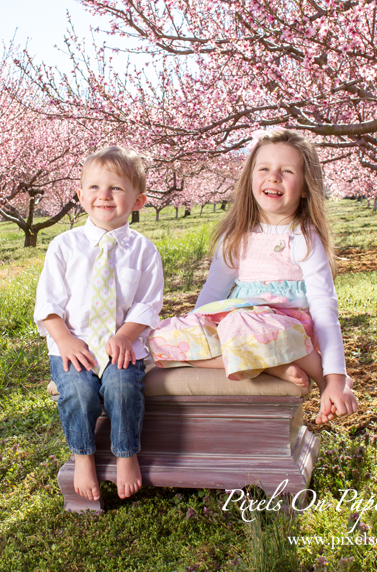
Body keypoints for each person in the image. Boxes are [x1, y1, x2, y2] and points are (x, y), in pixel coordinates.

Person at [148, 128, 357, 424]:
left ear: (307, 187)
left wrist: (335, 377)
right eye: (265, 169)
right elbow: (213, 293)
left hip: (284, 327)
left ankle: (288, 361)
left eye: (286, 171)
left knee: (245, 321)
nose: (274, 177)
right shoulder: (236, 236)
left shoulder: (304, 238)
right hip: (235, 324)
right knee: (157, 337)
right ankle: (269, 365)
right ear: (250, 180)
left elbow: (325, 307)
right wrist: (195, 327)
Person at [34, 146, 164, 502]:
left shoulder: (144, 251)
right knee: (78, 391)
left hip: (122, 345)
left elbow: (148, 304)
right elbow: (47, 304)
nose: (103, 196)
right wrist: (64, 341)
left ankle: (126, 454)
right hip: (73, 344)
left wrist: (125, 335)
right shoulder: (64, 246)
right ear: (80, 196)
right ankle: (83, 456)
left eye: (116, 189)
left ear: (138, 201)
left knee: (123, 388)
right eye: (93, 188)